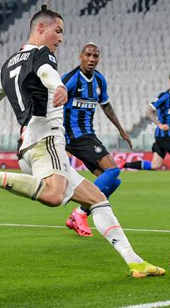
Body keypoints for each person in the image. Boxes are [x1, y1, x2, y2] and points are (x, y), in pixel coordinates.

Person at [0, 4, 164, 278]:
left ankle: (135, 261)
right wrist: (58, 86)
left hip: (27, 147)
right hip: (47, 140)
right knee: (54, 195)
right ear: (40, 28)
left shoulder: (7, 66)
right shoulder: (43, 55)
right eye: (58, 31)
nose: (61, 38)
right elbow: (47, 73)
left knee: (98, 200)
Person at [61, 43, 132, 237]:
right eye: (88, 55)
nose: (92, 59)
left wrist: (120, 129)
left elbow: (106, 106)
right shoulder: (69, 80)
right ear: (80, 56)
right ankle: (79, 213)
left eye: (96, 56)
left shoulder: (99, 81)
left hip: (88, 135)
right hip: (74, 136)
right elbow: (51, 104)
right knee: (114, 169)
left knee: (112, 181)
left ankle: (78, 214)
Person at [117, 72, 170, 200]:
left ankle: (124, 164)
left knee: (155, 165)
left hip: (165, 136)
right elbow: (149, 111)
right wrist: (160, 124)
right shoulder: (164, 96)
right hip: (163, 136)